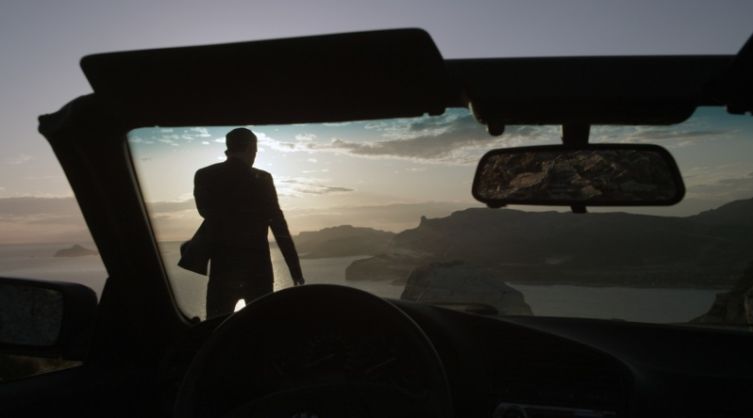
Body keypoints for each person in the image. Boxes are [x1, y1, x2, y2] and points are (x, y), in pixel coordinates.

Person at [184, 127, 305, 318]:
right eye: (255, 150)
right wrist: (295, 271)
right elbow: (278, 226)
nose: (255, 155)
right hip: (258, 272)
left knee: (217, 326)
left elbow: (204, 211)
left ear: (229, 148)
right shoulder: (262, 179)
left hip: (223, 269)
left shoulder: (204, 175)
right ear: (250, 148)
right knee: (259, 326)